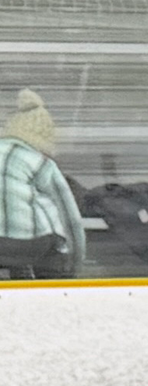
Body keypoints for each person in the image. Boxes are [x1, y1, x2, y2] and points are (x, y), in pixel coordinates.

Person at [0, 90, 83, 280]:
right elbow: (70, 219)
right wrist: (76, 264)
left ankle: (18, 272)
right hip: (31, 246)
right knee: (54, 244)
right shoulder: (41, 163)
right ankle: (50, 287)